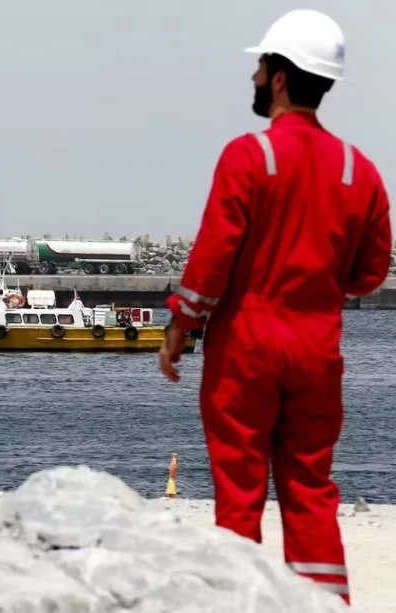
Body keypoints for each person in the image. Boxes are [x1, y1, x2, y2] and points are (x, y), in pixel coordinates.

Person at [158, 9, 392, 605]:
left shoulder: (249, 157)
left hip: (246, 348)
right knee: (310, 491)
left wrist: (180, 328)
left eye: (260, 67)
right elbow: (369, 275)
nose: (255, 78)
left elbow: (210, 264)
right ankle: (324, 603)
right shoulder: (358, 172)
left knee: (239, 492)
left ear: (280, 77)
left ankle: (240, 602)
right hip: (318, 351)